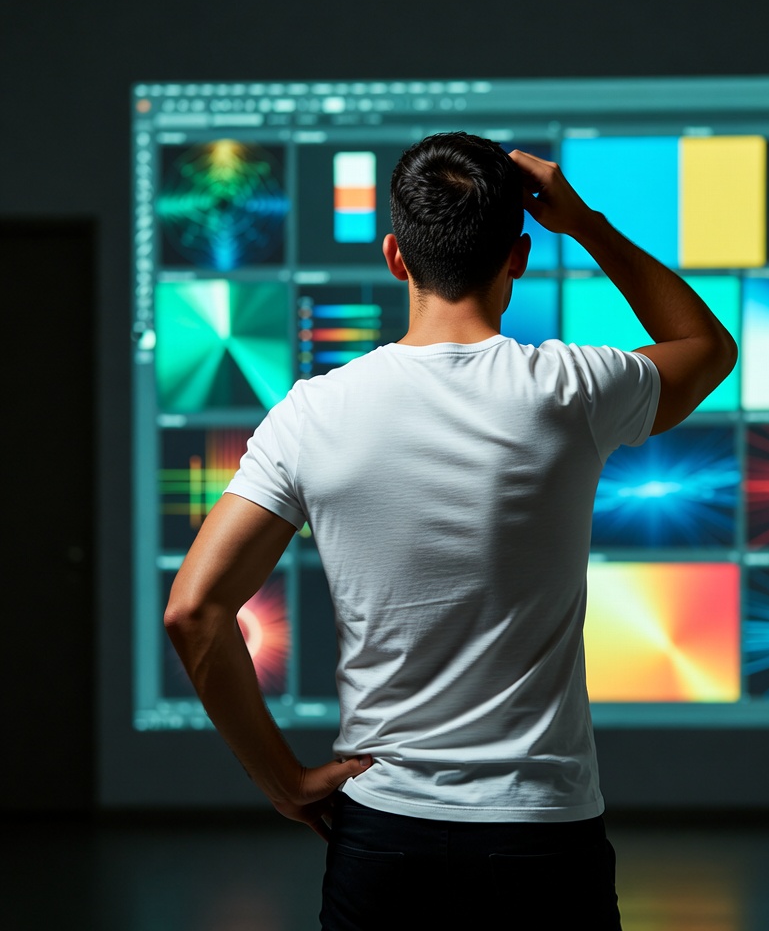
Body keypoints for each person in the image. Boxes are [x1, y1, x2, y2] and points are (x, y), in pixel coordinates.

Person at [164, 131, 737, 929]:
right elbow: (707, 349)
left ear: (396, 256)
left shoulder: (312, 414)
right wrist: (590, 224)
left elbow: (193, 611)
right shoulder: (572, 390)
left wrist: (285, 784)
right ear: (520, 257)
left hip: (383, 839)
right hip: (543, 833)